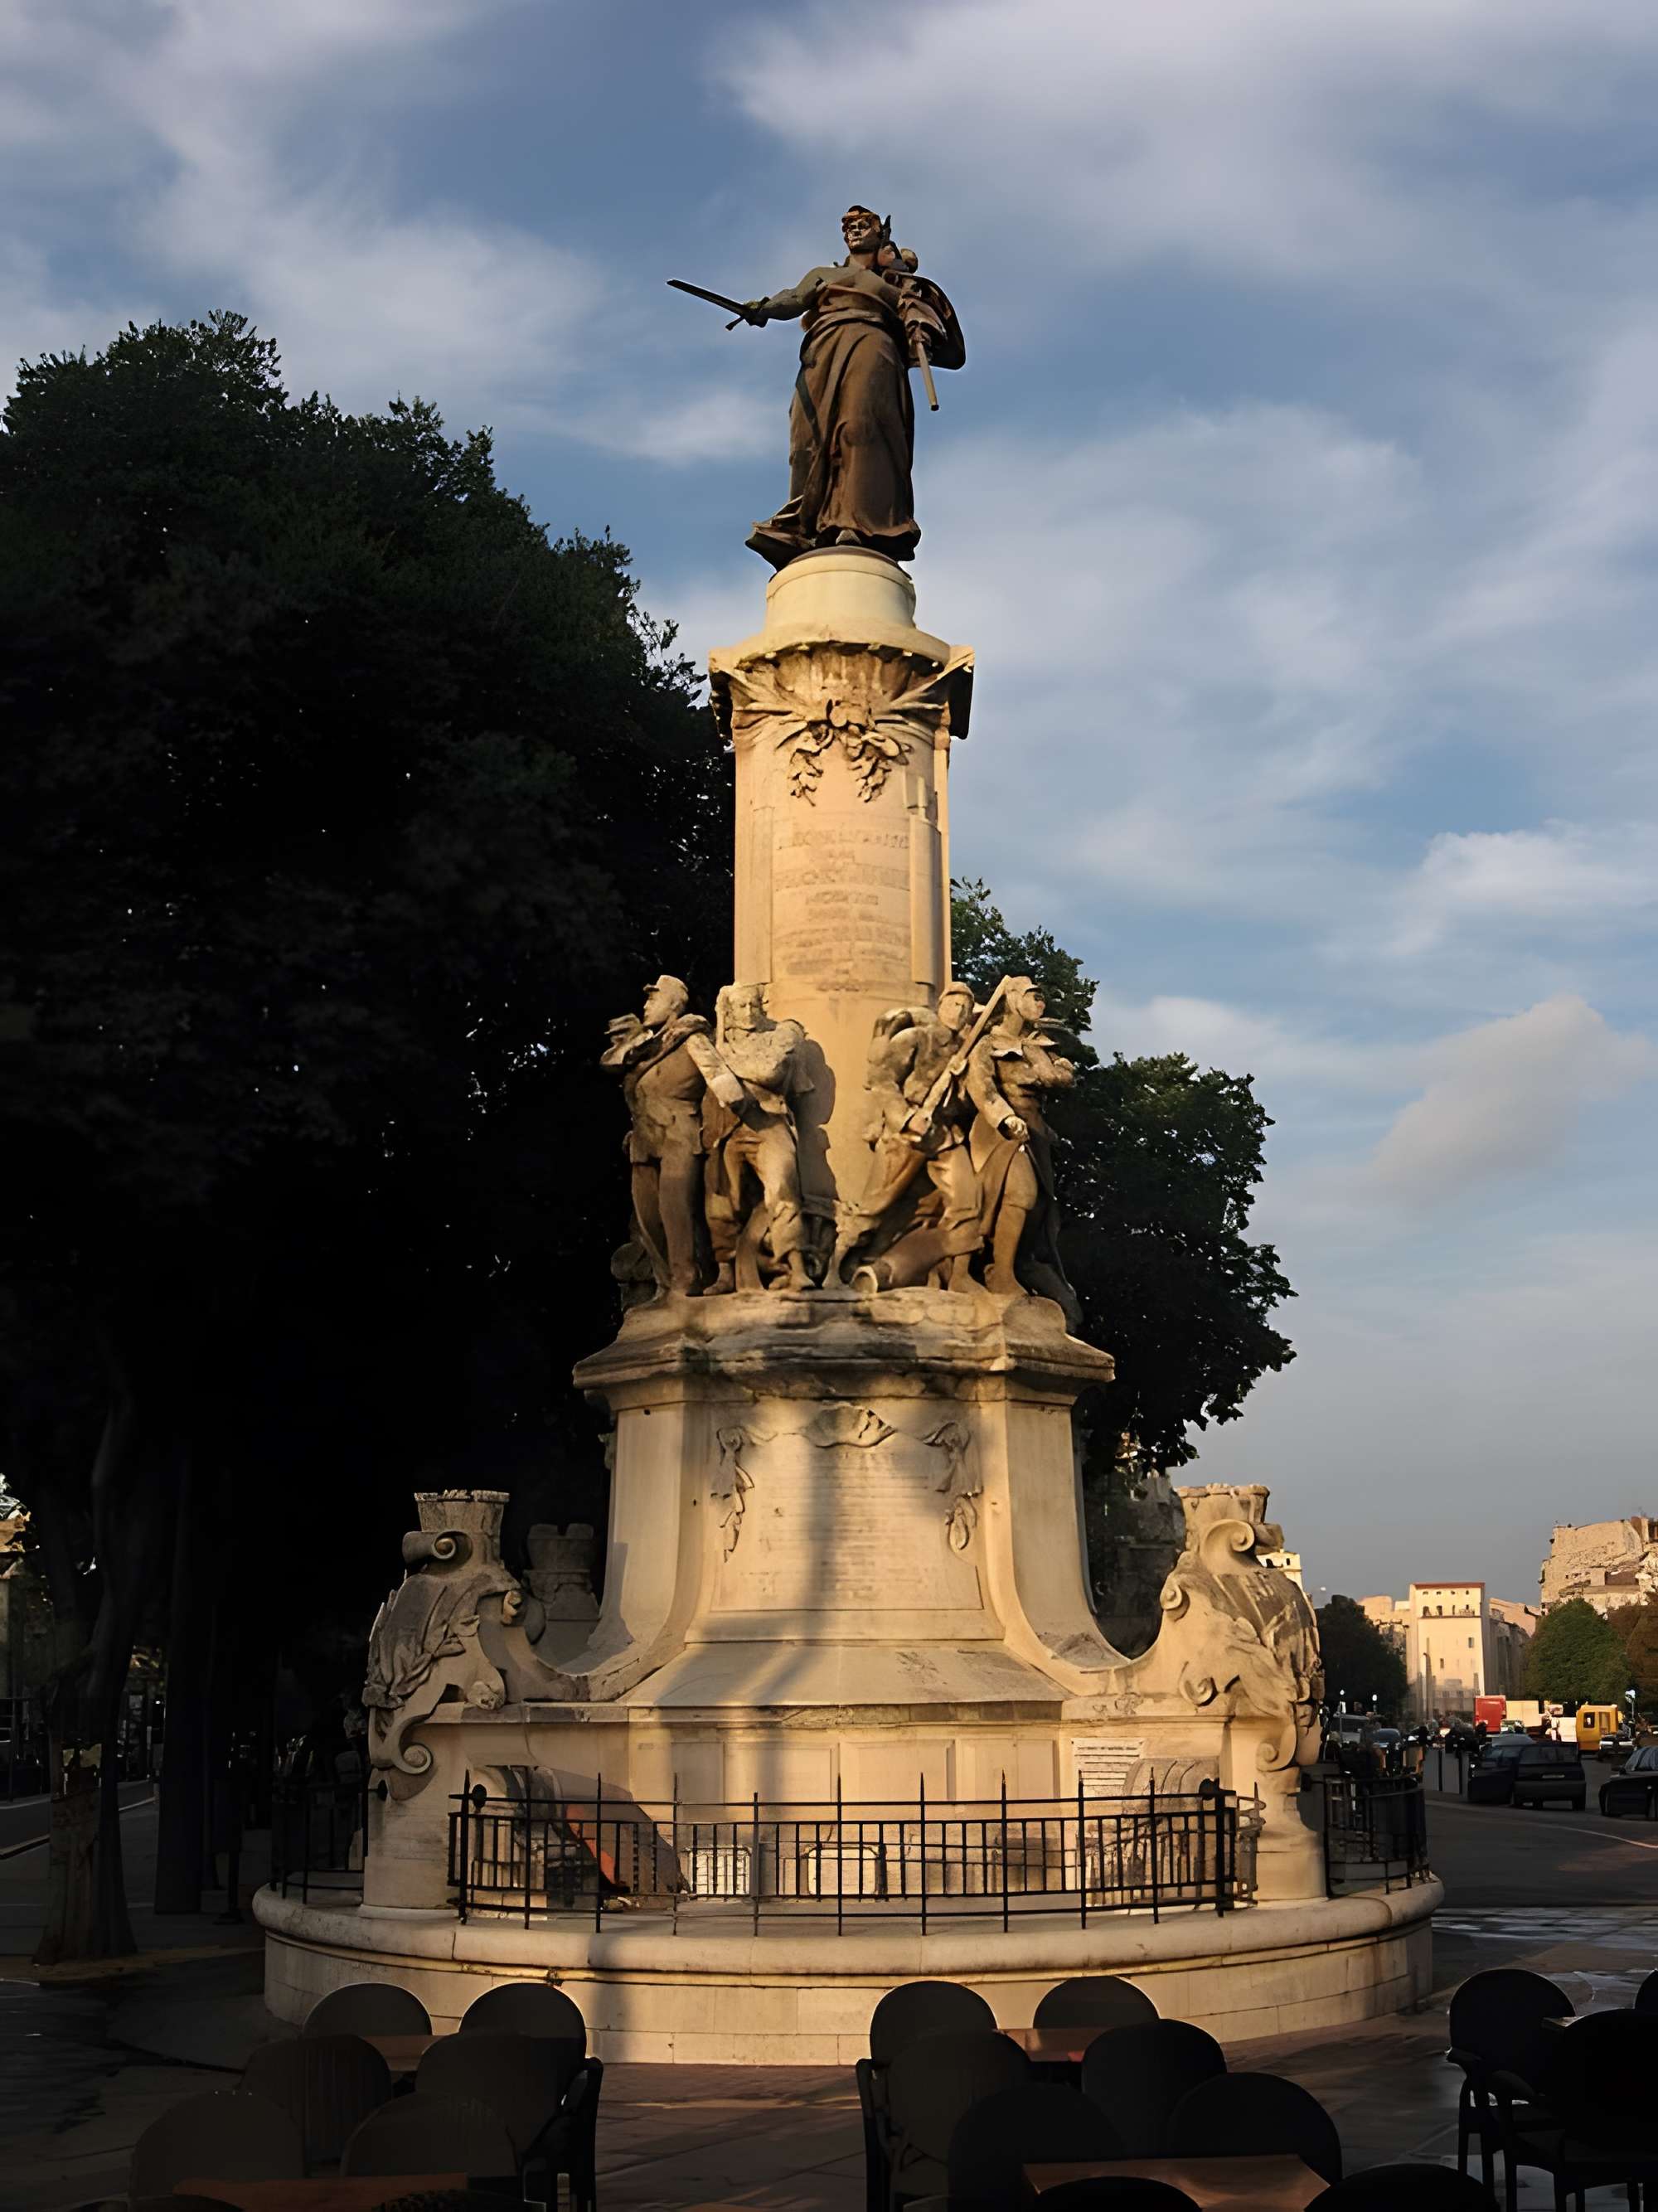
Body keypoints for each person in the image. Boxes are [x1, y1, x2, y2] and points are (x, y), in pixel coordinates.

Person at [739, 206, 964, 570]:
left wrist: (918, 317)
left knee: (859, 427)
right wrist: (762, 308)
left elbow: (931, 325)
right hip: (822, 352)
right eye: (849, 227)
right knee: (805, 440)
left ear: (880, 235)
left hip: (872, 347)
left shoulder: (893, 285)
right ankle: (804, 527)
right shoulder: (824, 275)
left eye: (863, 225)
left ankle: (854, 523)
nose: (855, 232)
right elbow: (793, 300)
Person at [832, 981, 982, 1289]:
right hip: (905, 1132)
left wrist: (962, 1080)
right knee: (876, 1208)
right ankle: (833, 1269)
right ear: (941, 1006)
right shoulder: (917, 1038)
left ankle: (956, 1274)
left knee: (967, 1200)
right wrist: (904, 1117)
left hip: (943, 1135)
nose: (960, 1012)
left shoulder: (966, 1051)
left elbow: (968, 1103)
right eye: (954, 1004)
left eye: (966, 1008)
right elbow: (882, 1080)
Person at [601, 975, 740, 1298]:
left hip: (681, 1135)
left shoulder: (692, 1038)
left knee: (676, 1213)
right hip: (644, 1141)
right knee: (649, 1220)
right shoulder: (645, 1047)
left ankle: (685, 1281)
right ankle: (664, 1286)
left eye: (654, 998)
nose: (646, 1004)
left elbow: (722, 1084)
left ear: (675, 1003)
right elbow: (613, 1064)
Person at [965, 977, 1081, 1326]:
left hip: (1036, 1133)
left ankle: (1019, 1263)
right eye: (1033, 997)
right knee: (1022, 1193)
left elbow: (1063, 1079)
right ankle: (1000, 1272)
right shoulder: (988, 1043)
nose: (1040, 1003)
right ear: (1012, 999)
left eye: (1042, 997)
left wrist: (1043, 1063)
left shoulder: (1039, 1045)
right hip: (1000, 1132)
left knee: (1040, 1211)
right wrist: (1004, 1118)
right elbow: (981, 1087)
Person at [702, 983, 814, 1293]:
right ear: (729, 1012)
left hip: (767, 1123)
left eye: (753, 1006)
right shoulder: (714, 1043)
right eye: (740, 1007)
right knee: (722, 1202)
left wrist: (723, 1059)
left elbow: (770, 1072)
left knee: (783, 1188)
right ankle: (726, 1271)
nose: (749, 1013)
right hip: (727, 1129)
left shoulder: (777, 1036)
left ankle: (796, 1267)